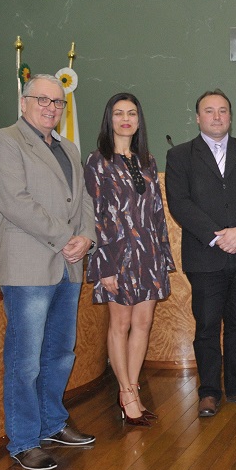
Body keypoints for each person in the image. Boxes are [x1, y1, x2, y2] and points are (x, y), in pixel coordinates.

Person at [0, 74, 97, 470]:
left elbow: (83, 200)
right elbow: (15, 202)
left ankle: (52, 423)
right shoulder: (4, 141)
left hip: (69, 264)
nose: (51, 108)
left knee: (60, 354)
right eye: (42, 100)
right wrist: (67, 237)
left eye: (58, 102)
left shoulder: (68, 147)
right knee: (26, 359)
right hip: (29, 266)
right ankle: (24, 441)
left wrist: (86, 237)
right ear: (23, 102)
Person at [166, 89, 236, 418]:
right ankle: (209, 392)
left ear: (230, 116)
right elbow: (180, 203)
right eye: (209, 111)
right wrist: (218, 237)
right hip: (205, 256)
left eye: (222, 110)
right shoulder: (180, 155)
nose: (216, 116)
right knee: (207, 326)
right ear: (198, 118)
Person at [84, 93, 174, 427]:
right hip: (117, 255)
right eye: (119, 113)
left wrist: (162, 255)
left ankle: (133, 387)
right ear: (109, 119)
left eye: (132, 113)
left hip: (148, 254)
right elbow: (94, 215)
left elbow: (157, 213)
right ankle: (125, 393)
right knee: (120, 325)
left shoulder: (147, 160)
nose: (125, 119)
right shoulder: (97, 161)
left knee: (143, 323)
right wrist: (104, 265)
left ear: (139, 120)